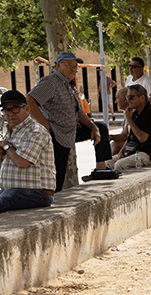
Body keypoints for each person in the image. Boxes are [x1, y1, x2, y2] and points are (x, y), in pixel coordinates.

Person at [27, 52, 112, 191]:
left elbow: (79, 113)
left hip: (71, 130)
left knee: (101, 128)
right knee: (57, 173)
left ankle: (101, 169)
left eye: (75, 66)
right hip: (56, 133)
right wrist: (46, 125)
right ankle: (50, 199)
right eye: (69, 65)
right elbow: (30, 100)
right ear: (58, 65)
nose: (73, 69)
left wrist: (93, 127)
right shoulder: (51, 81)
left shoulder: (70, 85)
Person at [0, 90, 54, 223]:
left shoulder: (35, 131)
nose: (10, 114)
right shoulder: (12, 132)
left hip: (35, 192)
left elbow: (22, 163)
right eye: (6, 111)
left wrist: (7, 146)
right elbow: (6, 164)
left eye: (15, 109)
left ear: (26, 108)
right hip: (12, 190)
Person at [107, 84, 151, 171]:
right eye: (127, 97)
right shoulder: (135, 114)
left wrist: (129, 120)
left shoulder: (150, 113)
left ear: (142, 98)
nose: (128, 100)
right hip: (135, 151)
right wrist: (121, 152)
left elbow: (142, 138)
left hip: (150, 154)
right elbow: (129, 138)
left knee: (119, 165)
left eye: (131, 97)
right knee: (107, 163)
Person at [109, 85, 130, 158]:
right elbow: (124, 135)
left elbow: (131, 138)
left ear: (125, 99)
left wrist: (121, 152)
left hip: (138, 147)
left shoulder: (133, 113)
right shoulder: (128, 113)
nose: (115, 101)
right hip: (130, 144)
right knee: (113, 143)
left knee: (114, 144)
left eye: (117, 98)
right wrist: (111, 137)